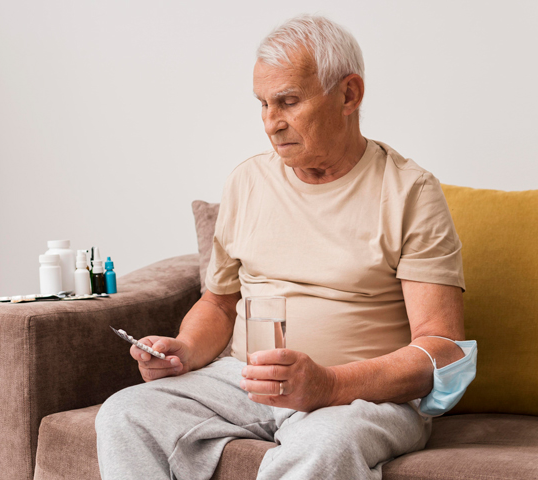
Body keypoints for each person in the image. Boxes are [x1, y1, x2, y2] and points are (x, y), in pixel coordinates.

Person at [96, 14, 473, 480]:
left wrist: (328, 384)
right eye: (263, 104)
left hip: (361, 395)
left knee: (326, 443)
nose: (272, 124)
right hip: (244, 380)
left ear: (349, 94)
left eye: (289, 102)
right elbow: (218, 302)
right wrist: (185, 349)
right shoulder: (248, 181)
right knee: (126, 414)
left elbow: (443, 349)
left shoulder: (409, 192)